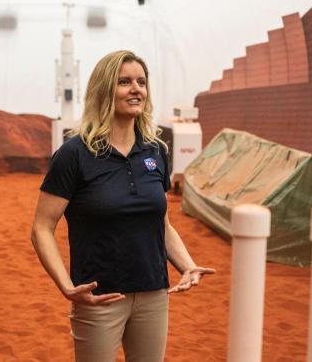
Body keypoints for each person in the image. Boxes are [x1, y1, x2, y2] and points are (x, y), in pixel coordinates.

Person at [30, 50, 214, 362]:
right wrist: (65, 285)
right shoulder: (75, 154)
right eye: (125, 82)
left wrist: (187, 265)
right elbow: (42, 227)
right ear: (104, 90)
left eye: (141, 82)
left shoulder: (155, 150)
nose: (136, 89)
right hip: (99, 297)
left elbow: (162, 224)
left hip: (153, 293)